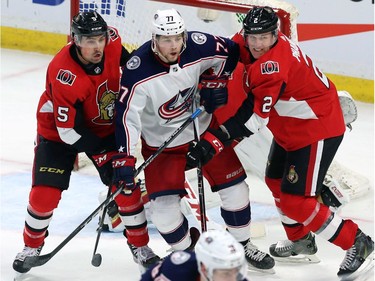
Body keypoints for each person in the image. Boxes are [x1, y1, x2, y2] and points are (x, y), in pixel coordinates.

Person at [186, 6, 374, 279]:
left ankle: (357, 241)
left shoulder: (272, 67)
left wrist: (214, 141)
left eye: (265, 37)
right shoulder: (249, 40)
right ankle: (300, 240)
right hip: (290, 127)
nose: (258, 44)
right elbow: (229, 52)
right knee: (275, 182)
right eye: (254, 37)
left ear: (276, 34)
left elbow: (253, 120)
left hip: (316, 128)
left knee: (296, 201)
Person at [112, 8, 274, 271]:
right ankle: (189, 254)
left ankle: (242, 245)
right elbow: (126, 118)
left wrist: (215, 83)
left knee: (237, 191)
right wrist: (125, 158)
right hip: (162, 146)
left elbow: (231, 52)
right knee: (164, 216)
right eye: (166, 39)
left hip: (203, 132)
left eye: (177, 37)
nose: (174, 45)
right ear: (154, 39)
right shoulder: (137, 71)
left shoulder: (199, 45)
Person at [12, 11, 160, 274]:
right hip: (59, 132)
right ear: (76, 40)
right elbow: (69, 131)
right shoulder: (63, 73)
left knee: (124, 186)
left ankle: (141, 247)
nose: (97, 46)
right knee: (44, 195)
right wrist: (105, 153)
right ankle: (31, 246)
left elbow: (133, 68)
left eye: (100, 39)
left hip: (103, 127)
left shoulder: (113, 42)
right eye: (89, 41)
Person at [140, 229, 249, 281]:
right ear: (204, 269)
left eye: (237, 270)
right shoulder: (176, 272)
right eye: (226, 274)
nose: (234, 279)